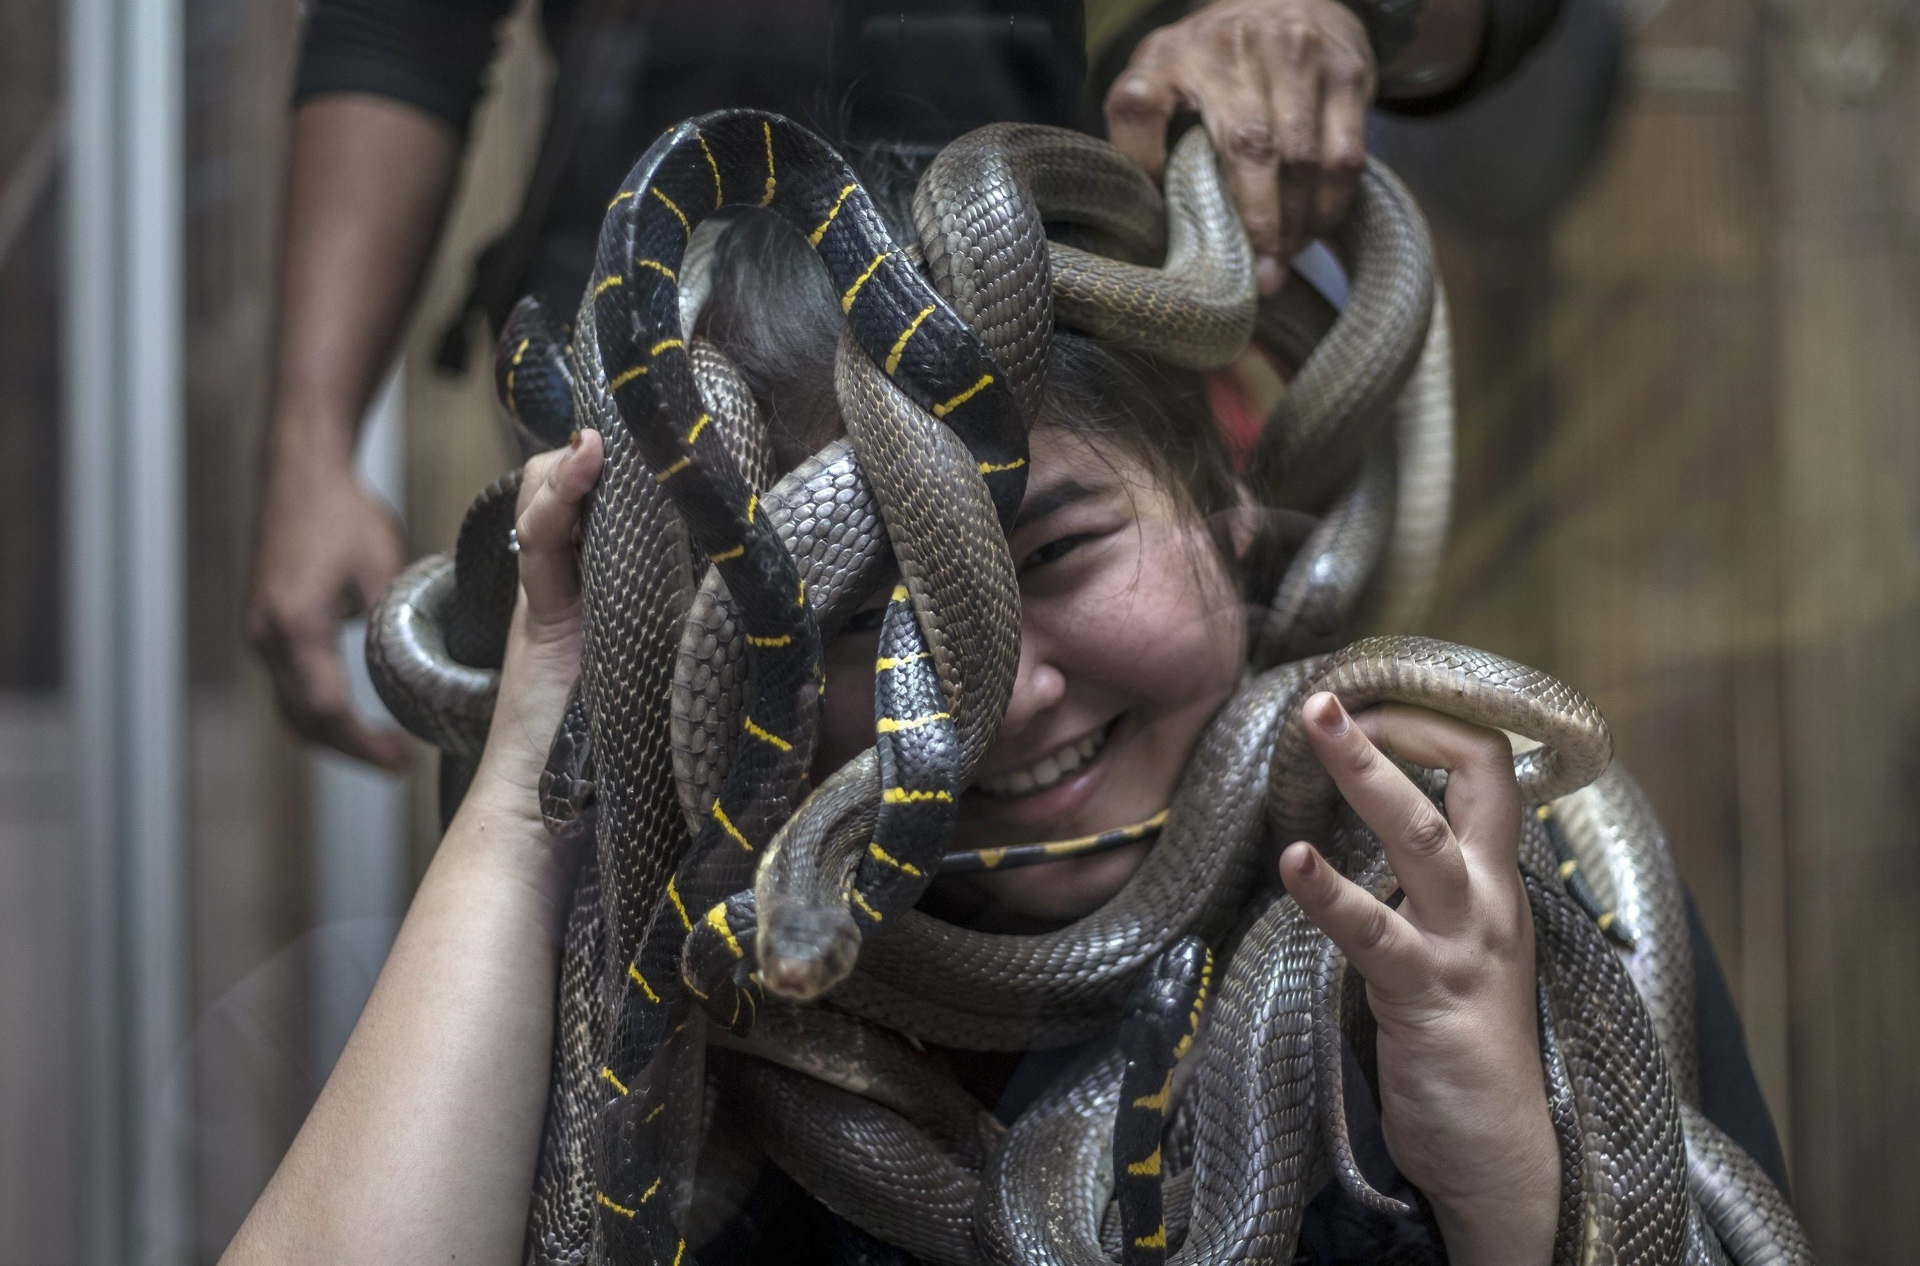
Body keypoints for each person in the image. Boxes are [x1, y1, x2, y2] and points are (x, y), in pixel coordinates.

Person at [220, 208, 1783, 1266]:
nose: (1000, 690)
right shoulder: (656, 966)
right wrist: (534, 781)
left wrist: (1502, 1159)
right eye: (847, 624)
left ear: (1229, 509)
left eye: (1053, 558)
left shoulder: (1472, 906)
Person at [249, 0, 1570, 770]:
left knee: (1115, 789)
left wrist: (1335, 0)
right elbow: (399, 18)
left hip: (1047, 360)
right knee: (636, 885)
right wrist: (313, 443)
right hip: (648, 398)